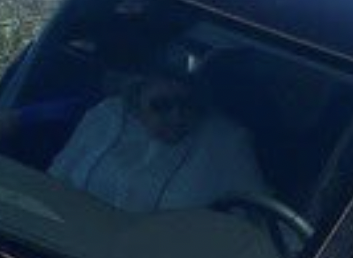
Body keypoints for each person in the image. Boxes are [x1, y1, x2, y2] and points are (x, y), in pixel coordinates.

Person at [49, 68, 267, 211]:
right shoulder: (107, 115)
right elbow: (56, 181)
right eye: (162, 105)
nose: (177, 116)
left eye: (187, 105)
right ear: (136, 102)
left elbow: (256, 216)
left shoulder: (227, 143)